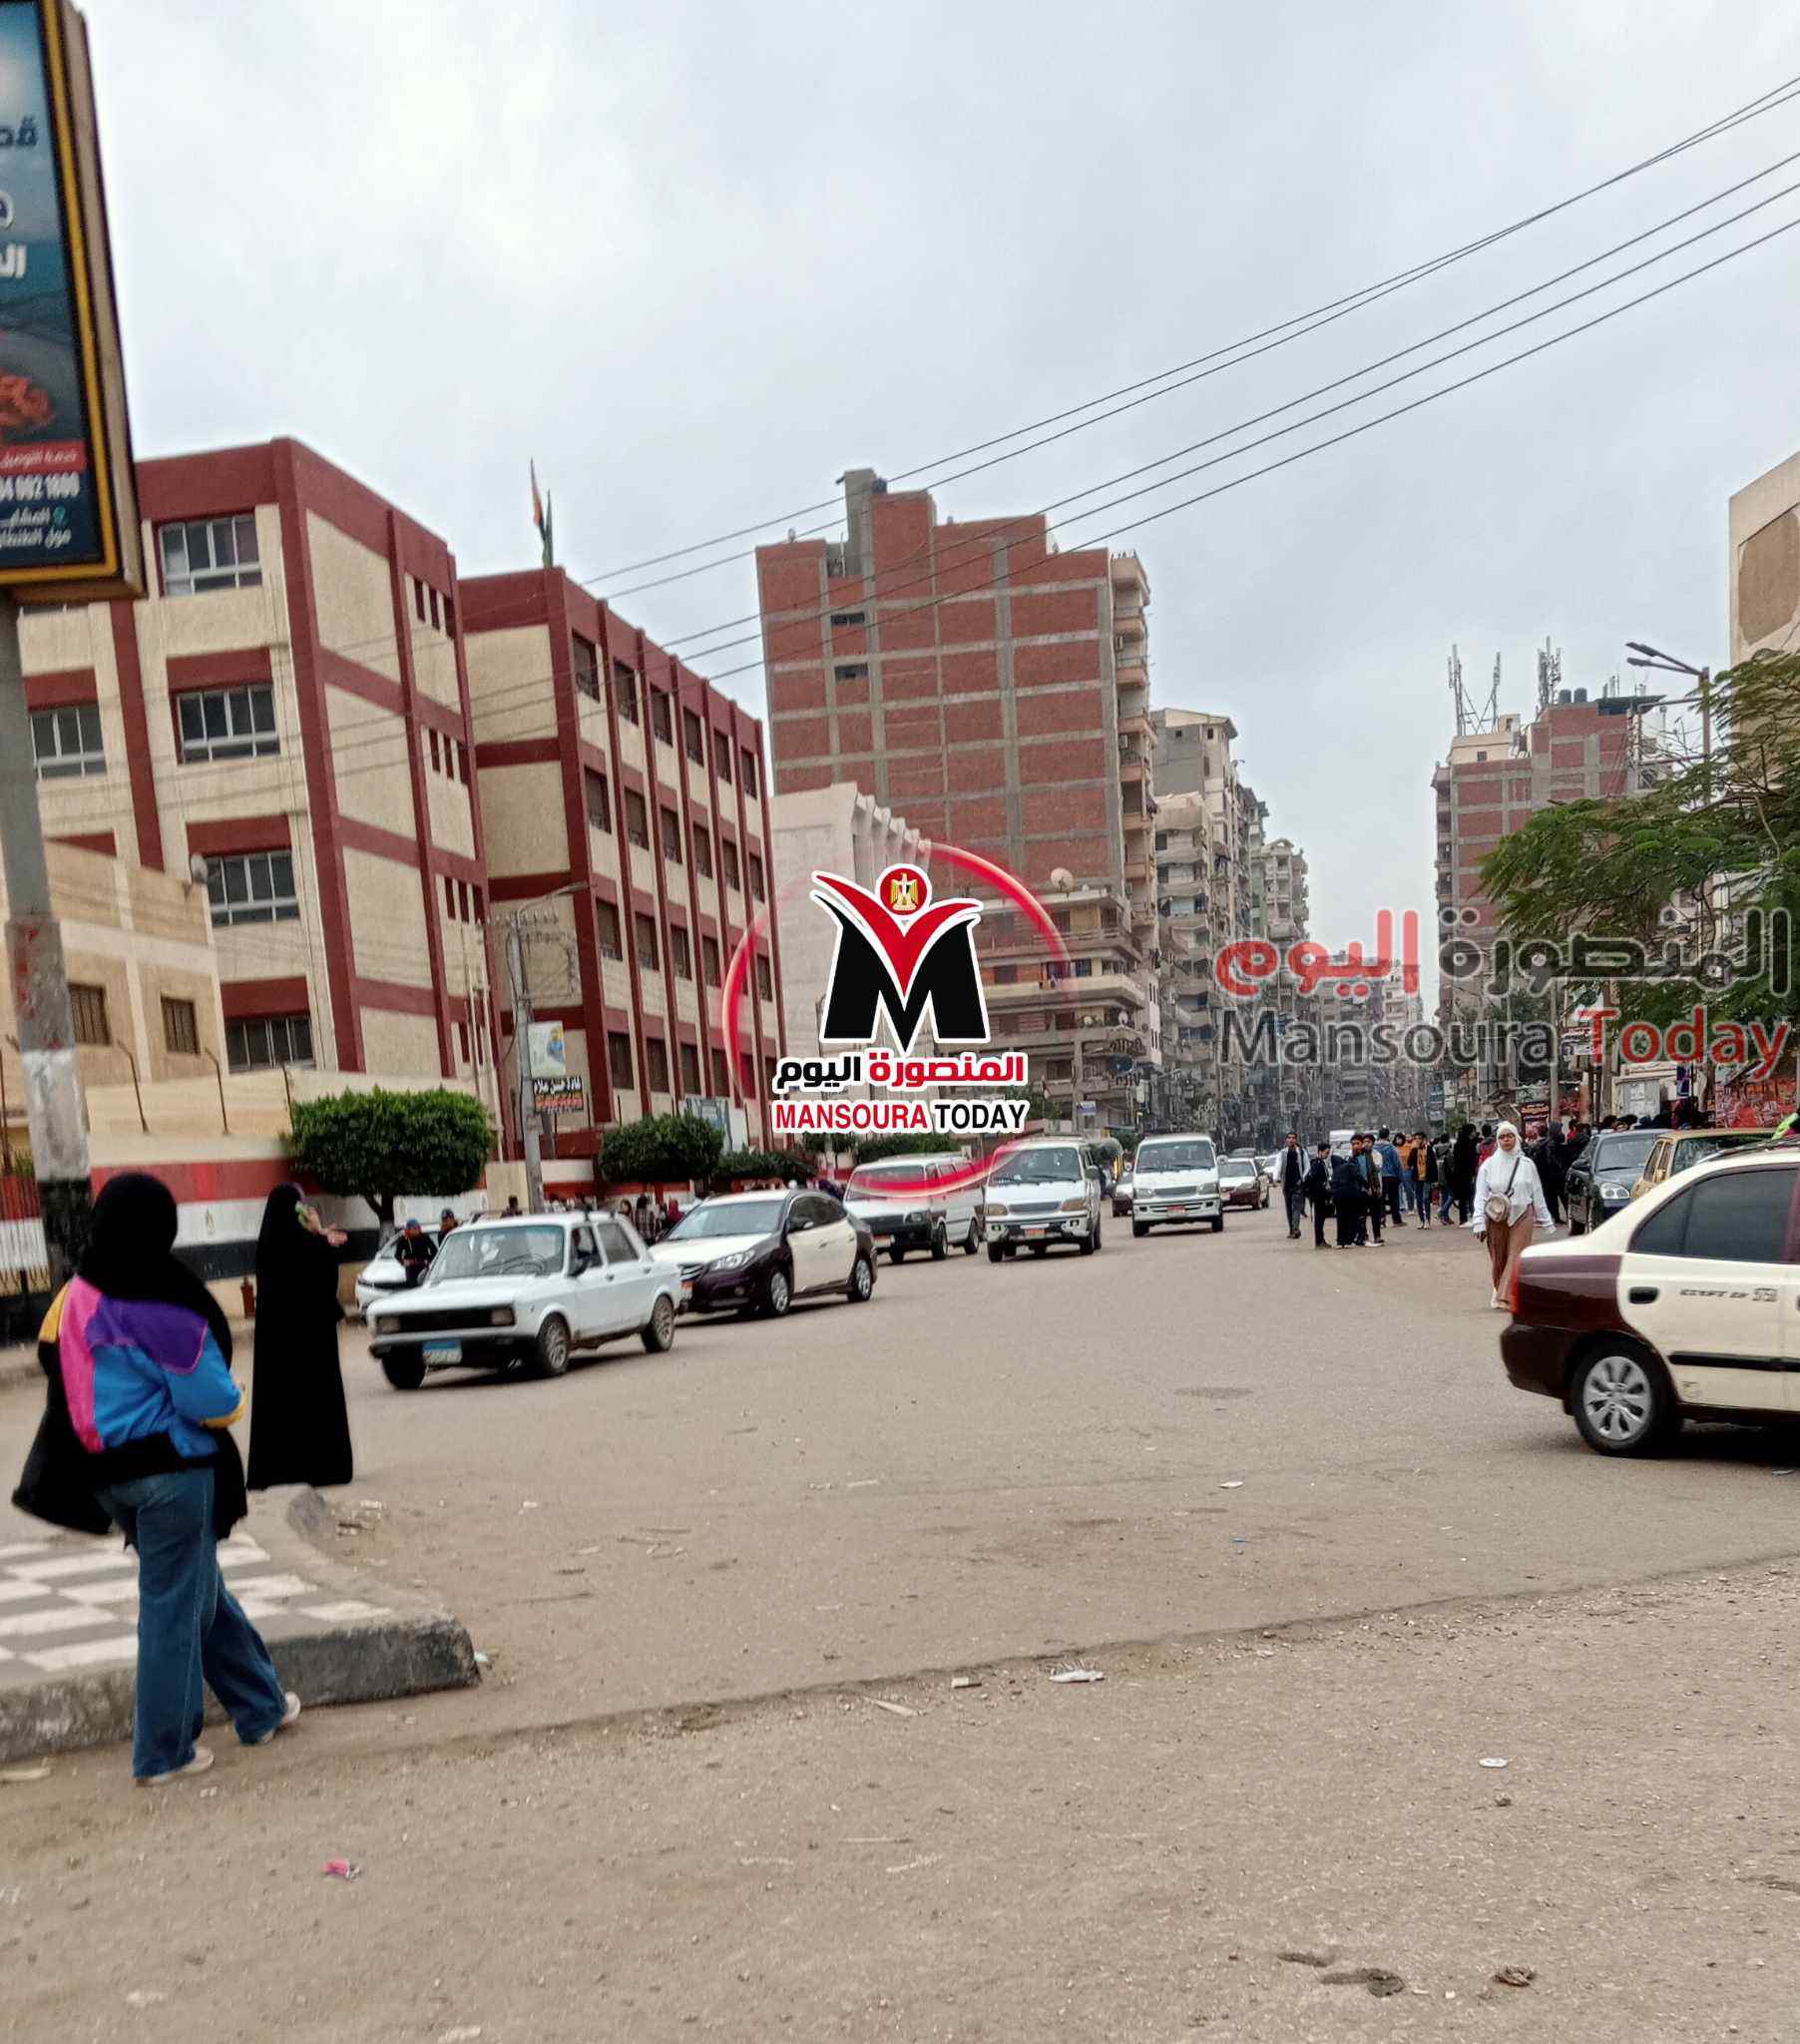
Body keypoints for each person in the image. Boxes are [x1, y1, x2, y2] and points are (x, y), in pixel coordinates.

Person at [18, 1174, 298, 1782]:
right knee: (174, 1608)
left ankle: (261, 1706)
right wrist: (226, 1398)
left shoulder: (77, 1294)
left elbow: (49, 1355)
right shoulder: (168, 1306)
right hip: (171, 1474)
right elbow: (213, 1402)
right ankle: (163, 1751)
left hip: (103, 1475)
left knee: (200, 1591)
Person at [247, 1185, 351, 1492]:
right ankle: (321, 1466)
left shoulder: (267, 1246)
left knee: (280, 1404)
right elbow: (325, 1282)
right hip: (311, 1343)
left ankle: (278, 1468)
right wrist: (319, 1235)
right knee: (315, 1400)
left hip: (277, 1345)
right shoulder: (306, 1245)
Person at [1471, 1121, 1553, 1309]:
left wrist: (1546, 1219)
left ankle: (1507, 1296)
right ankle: (1499, 1289)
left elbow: (1537, 1192)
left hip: (1522, 1213)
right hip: (1496, 1216)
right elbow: (1481, 1195)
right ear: (1497, 1140)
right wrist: (1478, 1221)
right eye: (1502, 1137)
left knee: (1516, 1255)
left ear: (1516, 1138)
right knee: (1499, 1258)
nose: (1506, 1140)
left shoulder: (1527, 1165)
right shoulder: (1488, 1166)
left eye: (1510, 1136)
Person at [1330, 1142, 1362, 1249]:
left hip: (1338, 1196)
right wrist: (1366, 1185)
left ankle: (1340, 1241)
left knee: (1340, 1218)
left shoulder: (1335, 1171)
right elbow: (1358, 1177)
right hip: (1349, 1195)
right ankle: (1348, 1240)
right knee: (1351, 1217)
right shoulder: (1348, 1166)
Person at [1303, 1141, 1333, 1249]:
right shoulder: (1317, 1164)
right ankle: (1319, 1241)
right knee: (1319, 1219)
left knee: (1321, 1218)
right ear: (1320, 1151)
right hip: (1318, 1196)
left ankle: (1321, 1240)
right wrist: (1324, 1185)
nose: (1327, 1155)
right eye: (1326, 1152)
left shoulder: (1320, 1163)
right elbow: (1315, 1180)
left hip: (1320, 1195)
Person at [1449, 1123, 1480, 1225]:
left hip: (1459, 1173)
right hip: (1465, 1174)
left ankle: (1464, 1218)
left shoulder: (1459, 1142)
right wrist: (1472, 1173)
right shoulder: (1467, 1143)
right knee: (1466, 1196)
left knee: (1464, 1197)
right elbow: (1470, 1160)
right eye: (1473, 1131)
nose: (1474, 1133)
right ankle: (1463, 1219)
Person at [1277, 1132, 1307, 1239]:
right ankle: (1291, 1230)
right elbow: (1278, 1166)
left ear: (1296, 1140)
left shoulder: (1302, 1152)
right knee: (1289, 1208)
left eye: (1293, 1138)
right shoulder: (1282, 1153)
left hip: (1298, 1185)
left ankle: (1295, 1229)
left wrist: (1302, 1178)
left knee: (1296, 1207)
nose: (1291, 1140)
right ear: (1286, 1140)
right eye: (1289, 1138)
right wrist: (1276, 1178)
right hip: (1286, 1185)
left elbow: (1307, 1167)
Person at [393, 1217, 435, 1288]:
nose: (417, 1230)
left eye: (418, 1228)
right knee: (412, 1287)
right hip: (411, 1269)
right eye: (414, 1228)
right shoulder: (404, 1239)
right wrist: (403, 1262)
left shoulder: (425, 1237)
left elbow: (434, 1250)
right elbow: (397, 1254)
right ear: (408, 1230)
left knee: (424, 1286)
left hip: (424, 1266)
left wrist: (429, 1260)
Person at [1374, 1128, 1405, 1227]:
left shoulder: (1374, 1148)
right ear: (1388, 1136)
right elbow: (1397, 1164)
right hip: (1391, 1176)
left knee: (1380, 1199)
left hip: (1378, 1176)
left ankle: (1381, 1220)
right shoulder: (1391, 1148)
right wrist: (1401, 1176)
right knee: (1394, 1199)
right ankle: (1397, 1220)